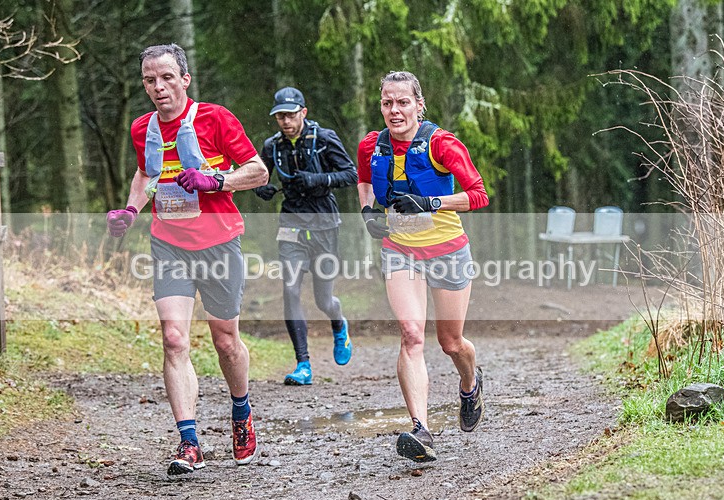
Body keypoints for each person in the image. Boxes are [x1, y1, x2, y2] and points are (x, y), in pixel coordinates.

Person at [106, 43, 269, 475]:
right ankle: (189, 442)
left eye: (165, 77)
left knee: (225, 342)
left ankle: (241, 412)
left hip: (218, 243)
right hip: (169, 244)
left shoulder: (215, 118)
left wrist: (215, 180)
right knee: (174, 338)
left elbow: (258, 171)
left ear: (184, 80)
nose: (157, 87)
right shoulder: (142, 128)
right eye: (149, 80)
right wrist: (129, 209)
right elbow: (146, 173)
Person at [357, 71, 489, 462]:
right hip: (399, 250)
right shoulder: (371, 145)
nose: (394, 110)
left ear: (418, 104)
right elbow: (364, 181)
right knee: (411, 335)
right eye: (387, 102)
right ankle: (421, 429)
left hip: (447, 249)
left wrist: (431, 203)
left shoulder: (441, 143)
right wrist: (367, 213)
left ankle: (470, 382)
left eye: (402, 102)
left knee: (451, 343)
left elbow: (478, 196)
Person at [254, 87, 358, 385]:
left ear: (303, 112)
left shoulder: (324, 139)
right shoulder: (272, 146)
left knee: (323, 299)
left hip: (325, 224)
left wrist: (318, 179)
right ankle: (303, 365)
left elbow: (350, 174)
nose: (285, 121)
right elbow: (260, 175)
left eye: (290, 114)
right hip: (291, 223)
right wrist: (261, 188)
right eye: (280, 116)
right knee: (290, 289)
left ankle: (338, 325)